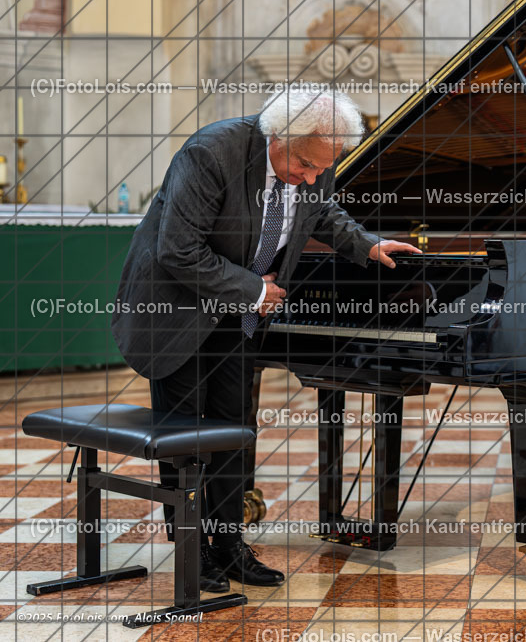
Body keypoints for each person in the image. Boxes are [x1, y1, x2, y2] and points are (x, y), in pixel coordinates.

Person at [111, 88, 420, 591]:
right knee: (187, 437)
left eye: (324, 166)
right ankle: (194, 552)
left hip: (235, 316)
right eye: (304, 163)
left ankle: (229, 546)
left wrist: (368, 243)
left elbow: (322, 211)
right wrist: (255, 290)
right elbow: (178, 249)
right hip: (178, 308)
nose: (313, 175)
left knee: (234, 429)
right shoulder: (211, 154)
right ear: (277, 136)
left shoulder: (316, 156)